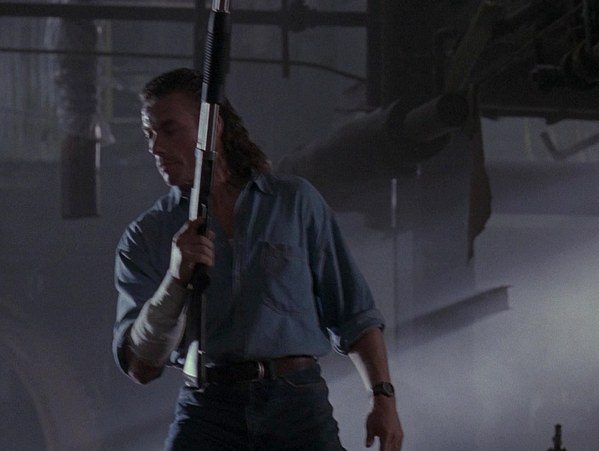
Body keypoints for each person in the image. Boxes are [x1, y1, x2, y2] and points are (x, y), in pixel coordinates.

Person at [111, 67, 403, 451]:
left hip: (296, 404)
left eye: (169, 130)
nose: (155, 147)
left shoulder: (294, 203)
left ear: (213, 126)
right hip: (209, 406)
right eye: (150, 134)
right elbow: (140, 366)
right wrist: (175, 278)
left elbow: (354, 313)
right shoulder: (146, 236)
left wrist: (382, 398)